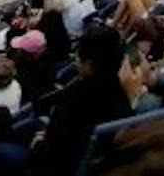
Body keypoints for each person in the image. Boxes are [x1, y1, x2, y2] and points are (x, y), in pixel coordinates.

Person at [31, 26, 130, 176]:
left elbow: (57, 150)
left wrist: (41, 143)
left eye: (77, 56)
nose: (75, 60)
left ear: (89, 64)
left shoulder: (74, 98)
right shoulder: (120, 92)